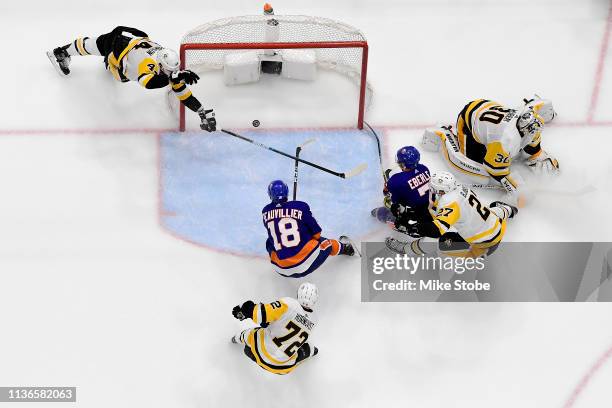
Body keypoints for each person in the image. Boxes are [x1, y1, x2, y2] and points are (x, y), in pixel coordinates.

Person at [47, 26, 216, 131]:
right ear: (160, 65)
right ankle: (61, 52)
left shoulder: (167, 63)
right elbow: (148, 84)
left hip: (131, 46)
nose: (171, 73)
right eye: (169, 71)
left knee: (109, 62)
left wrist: (201, 111)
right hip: (120, 48)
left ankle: (108, 61)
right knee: (92, 46)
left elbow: (182, 92)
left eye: (174, 70)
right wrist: (175, 77)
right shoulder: (147, 64)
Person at [421, 96, 558, 204]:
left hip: (486, 107)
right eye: (531, 132)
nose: (534, 134)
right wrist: (515, 186)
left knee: (512, 150)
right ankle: (443, 133)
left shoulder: (528, 115)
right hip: (469, 120)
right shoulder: (507, 140)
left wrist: (536, 155)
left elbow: (538, 104)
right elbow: (494, 170)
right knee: (477, 173)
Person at [386, 171, 518, 258]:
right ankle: (510, 210)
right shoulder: (461, 188)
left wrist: (413, 227)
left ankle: (405, 249)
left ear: (441, 192)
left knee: (439, 241)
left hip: (483, 245)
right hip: (498, 226)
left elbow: (436, 230)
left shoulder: (449, 202)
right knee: (491, 209)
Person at [263, 180, 358, 277]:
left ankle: (284, 260)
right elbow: (317, 234)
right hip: (304, 265)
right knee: (326, 243)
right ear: (287, 191)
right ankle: (346, 249)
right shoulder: (301, 206)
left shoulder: (265, 212)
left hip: (281, 269)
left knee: (269, 241)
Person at [231, 282, 319, 375]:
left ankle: (235, 339)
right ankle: (312, 351)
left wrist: (246, 308)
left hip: (261, 353)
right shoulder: (314, 320)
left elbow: (260, 314)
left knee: (253, 334)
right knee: (304, 347)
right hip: (283, 368)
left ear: (298, 293)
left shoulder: (289, 303)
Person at [371, 146, 432, 236]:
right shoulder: (424, 168)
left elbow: (388, 195)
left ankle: (396, 223)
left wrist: (387, 188)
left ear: (403, 164)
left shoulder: (395, 180)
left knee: (385, 210)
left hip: (413, 213)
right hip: (428, 206)